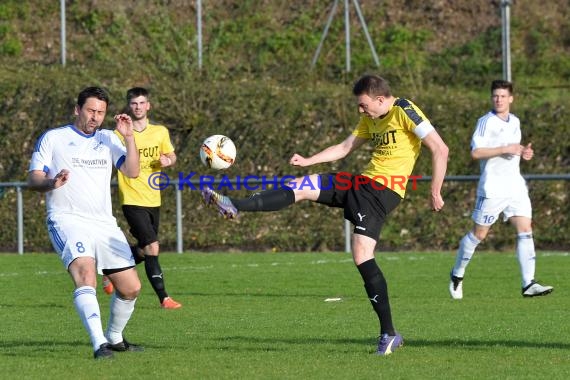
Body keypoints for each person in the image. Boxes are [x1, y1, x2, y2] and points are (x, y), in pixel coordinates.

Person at [202, 74, 449, 356]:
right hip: (361, 183)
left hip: (382, 191)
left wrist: (435, 190)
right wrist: (309, 160)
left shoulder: (404, 110)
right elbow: (344, 148)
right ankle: (233, 204)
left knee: (362, 253)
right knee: (302, 186)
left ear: (380, 99)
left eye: (363, 105)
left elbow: (440, 148)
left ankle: (388, 333)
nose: (360, 110)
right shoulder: (371, 117)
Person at [28, 86, 144, 359]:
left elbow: (133, 171)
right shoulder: (54, 138)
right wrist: (50, 182)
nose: (95, 117)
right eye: (91, 110)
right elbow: (33, 179)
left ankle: (115, 338)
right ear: (77, 109)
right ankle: (99, 344)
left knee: (131, 288)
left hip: (103, 224)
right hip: (67, 220)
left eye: (101, 112)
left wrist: (128, 138)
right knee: (86, 276)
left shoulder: (108, 138)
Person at [449, 80, 553, 299]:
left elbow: (513, 150)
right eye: (495, 96)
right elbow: (476, 153)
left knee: (525, 229)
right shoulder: (486, 122)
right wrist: (504, 148)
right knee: (479, 234)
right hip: (492, 188)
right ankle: (457, 274)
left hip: (515, 186)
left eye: (503, 96)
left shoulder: (515, 121)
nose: (499, 99)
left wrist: (523, 153)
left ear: (511, 99)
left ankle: (528, 283)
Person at [102, 87, 181, 309]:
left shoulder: (160, 132)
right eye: (134, 103)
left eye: (142, 103)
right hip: (131, 198)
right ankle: (164, 298)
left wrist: (169, 161)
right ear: (129, 106)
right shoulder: (119, 134)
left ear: (148, 106)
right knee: (153, 247)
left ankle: (109, 269)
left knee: (143, 250)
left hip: (153, 199)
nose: (138, 107)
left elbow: (171, 155)